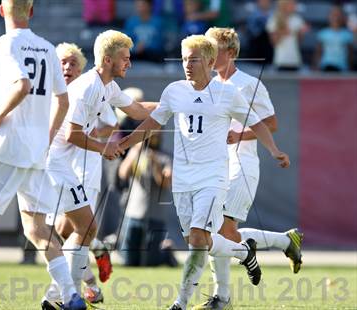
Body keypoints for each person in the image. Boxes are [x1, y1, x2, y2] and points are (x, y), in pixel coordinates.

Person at [119, 34, 290, 310]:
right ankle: (244, 252)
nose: (188, 64)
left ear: (210, 62)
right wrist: (126, 143)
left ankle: (181, 302)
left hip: (213, 177)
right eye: (185, 59)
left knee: (199, 239)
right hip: (183, 179)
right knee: (199, 242)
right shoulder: (174, 91)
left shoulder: (228, 93)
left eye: (194, 59)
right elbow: (153, 122)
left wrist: (274, 150)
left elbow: (258, 123)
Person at [0, 1, 85, 309]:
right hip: (36, 150)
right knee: (36, 227)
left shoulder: (5, 42)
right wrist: (46, 137)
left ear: (1, 11)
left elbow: (23, 85)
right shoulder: (47, 47)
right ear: (31, 12)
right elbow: (63, 101)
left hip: (10, 144)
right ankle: (71, 296)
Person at [41, 29, 157, 309]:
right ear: (107, 60)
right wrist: (104, 147)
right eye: (124, 58)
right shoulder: (88, 88)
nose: (129, 62)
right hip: (55, 166)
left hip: (66, 168)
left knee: (80, 230)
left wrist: (176, 104)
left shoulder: (107, 86)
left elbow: (139, 111)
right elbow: (72, 135)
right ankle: (64, 295)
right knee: (76, 231)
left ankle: (59, 296)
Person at [191, 27, 304, 310]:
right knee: (220, 232)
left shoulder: (249, 84)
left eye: (213, 49)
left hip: (241, 164)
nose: (208, 55)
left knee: (222, 231)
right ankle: (284, 241)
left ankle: (223, 298)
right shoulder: (210, 85)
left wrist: (240, 134)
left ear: (230, 53)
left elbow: (272, 123)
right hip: (217, 166)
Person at [43, 41, 118, 306]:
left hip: (86, 170)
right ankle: (89, 282)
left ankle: (63, 294)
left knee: (71, 229)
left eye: (72, 63)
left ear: (81, 68)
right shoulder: (51, 95)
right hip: (59, 170)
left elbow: (112, 122)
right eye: (62, 62)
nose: (67, 67)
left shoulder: (88, 89)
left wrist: (92, 138)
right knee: (66, 232)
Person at [118, 134, 177, 267]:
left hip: (155, 216)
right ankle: (162, 249)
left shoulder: (166, 157)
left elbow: (165, 184)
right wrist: (134, 152)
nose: (153, 138)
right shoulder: (136, 154)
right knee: (129, 261)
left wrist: (155, 163)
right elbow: (122, 173)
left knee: (150, 262)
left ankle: (166, 252)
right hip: (133, 213)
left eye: (156, 135)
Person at [266, 0, 309, 71]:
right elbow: (274, 42)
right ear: (284, 5)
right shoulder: (274, 19)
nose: (294, 6)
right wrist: (283, 32)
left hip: (295, 61)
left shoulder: (297, 19)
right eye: (292, 4)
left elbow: (299, 42)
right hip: (280, 61)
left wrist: (300, 33)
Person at [313, 5, 354, 72]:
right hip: (325, 67)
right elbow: (318, 53)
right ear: (329, 16)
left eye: (338, 15)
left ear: (343, 17)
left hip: (342, 68)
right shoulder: (323, 33)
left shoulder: (348, 35)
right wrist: (315, 67)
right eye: (333, 14)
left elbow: (350, 55)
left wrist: (350, 69)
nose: (336, 17)